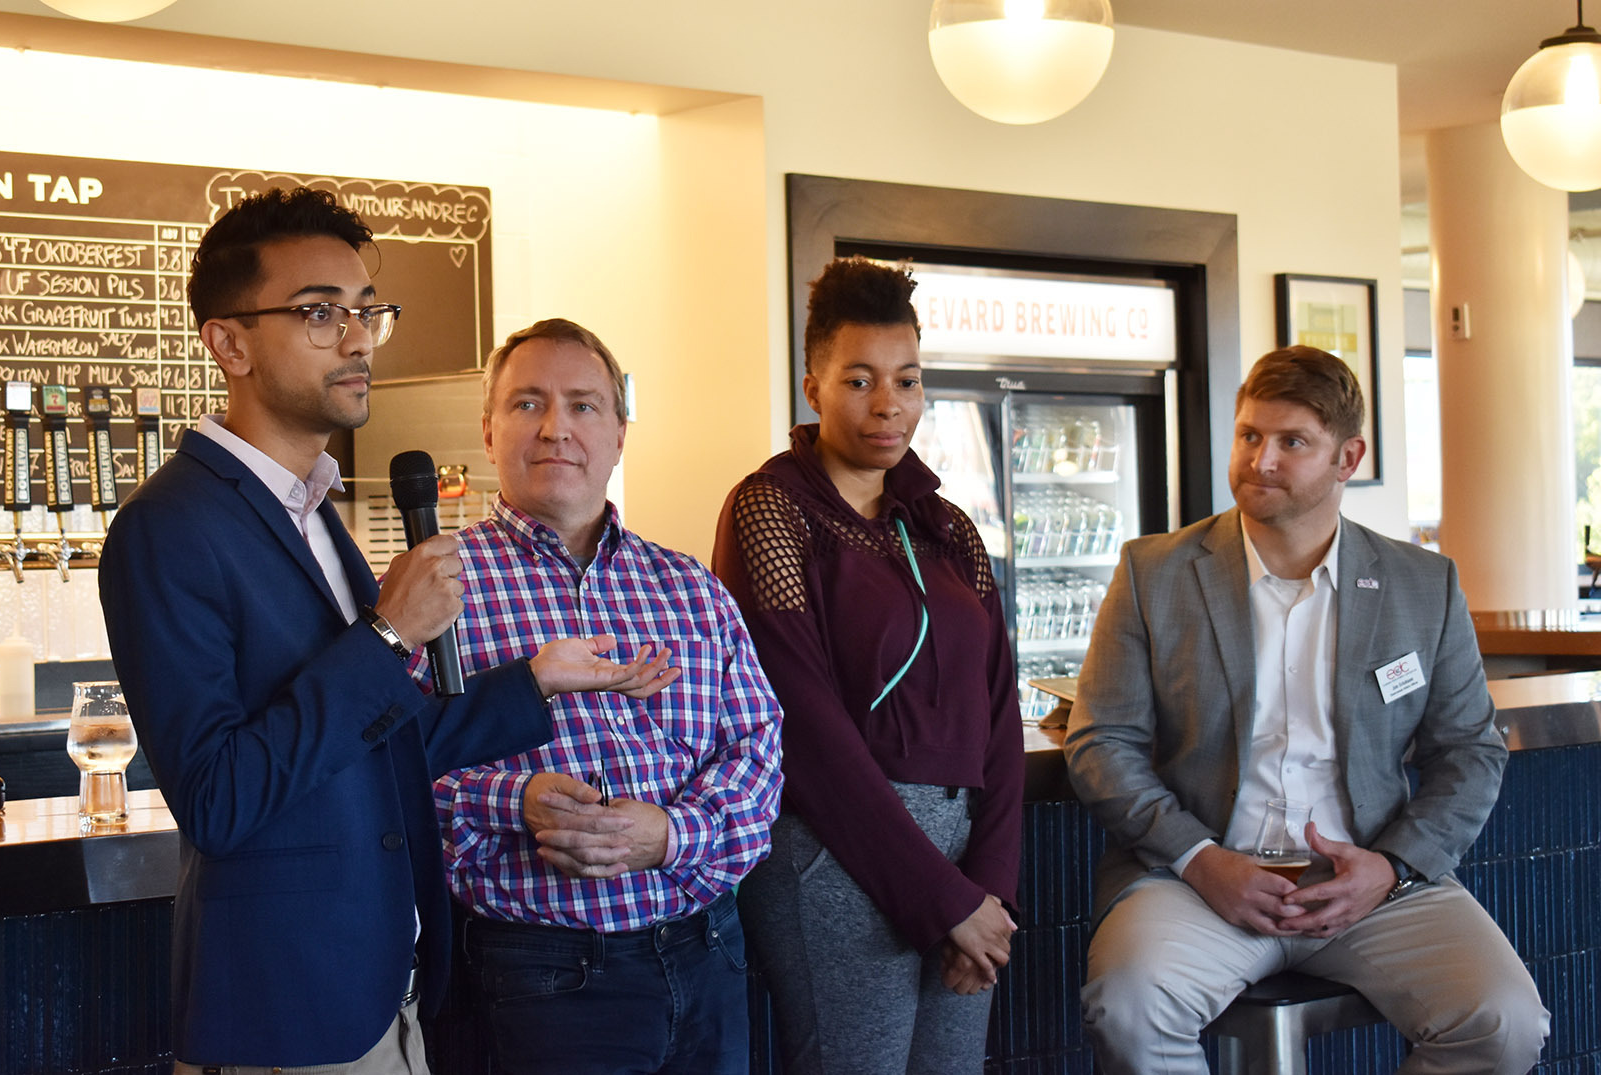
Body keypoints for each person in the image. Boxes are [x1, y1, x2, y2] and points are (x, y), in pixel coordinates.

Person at [99, 189, 673, 1073]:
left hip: (386, 988)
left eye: (367, 310)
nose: (359, 337)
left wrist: (537, 680)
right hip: (286, 1008)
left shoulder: (314, 511)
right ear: (228, 342)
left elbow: (381, 736)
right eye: (320, 312)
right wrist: (384, 634)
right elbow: (217, 798)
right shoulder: (170, 525)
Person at [1063, 345, 1550, 1072]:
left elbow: (1471, 753)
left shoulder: (1424, 585)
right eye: (1250, 435)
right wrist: (1201, 859)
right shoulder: (1153, 573)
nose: (1261, 461)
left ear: (1347, 457)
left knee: (1504, 1022)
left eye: (1292, 442)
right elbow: (1100, 742)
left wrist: (1390, 866)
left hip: (1371, 885)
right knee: (1130, 1009)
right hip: (1196, 880)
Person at [419, 318, 783, 1075]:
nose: (556, 428)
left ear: (620, 432)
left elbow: (759, 752)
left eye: (584, 405)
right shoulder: (432, 587)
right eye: (527, 403)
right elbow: (386, 769)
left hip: (709, 953)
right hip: (541, 975)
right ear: (488, 433)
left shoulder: (689, 587)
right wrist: (511, 798)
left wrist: (672, 835)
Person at [711, 257, 1025, 1074]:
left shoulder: (947, 527)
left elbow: (999, 714)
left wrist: (988, 889)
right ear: (812, 384)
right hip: (834, 854)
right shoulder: (772, 509)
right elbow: (804, 729)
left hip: (961, 867)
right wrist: (945, 900)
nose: (888, 403)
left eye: (907, 380)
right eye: (858, 379)